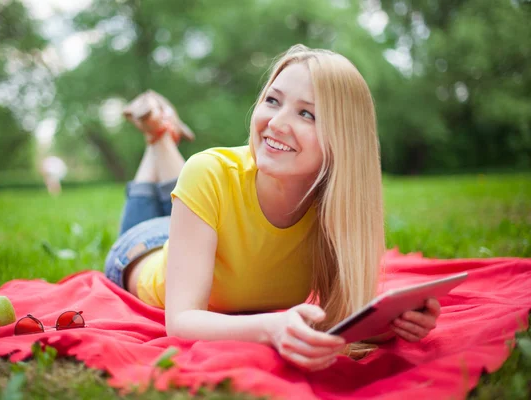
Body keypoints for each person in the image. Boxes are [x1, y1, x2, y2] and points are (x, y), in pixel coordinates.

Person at [105, 44, 441, 371]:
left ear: (343, 139)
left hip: (200, 227)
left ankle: (158, 133)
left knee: (197, 190)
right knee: (195, 180)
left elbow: (340, 322)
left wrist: (393, 323)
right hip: (143, 249)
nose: (277, 123)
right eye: (272, 100)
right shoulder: (208, 171)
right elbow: (180, 322)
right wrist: (271, 328)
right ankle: (159, 137)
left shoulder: (335, 208)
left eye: (306, 113)